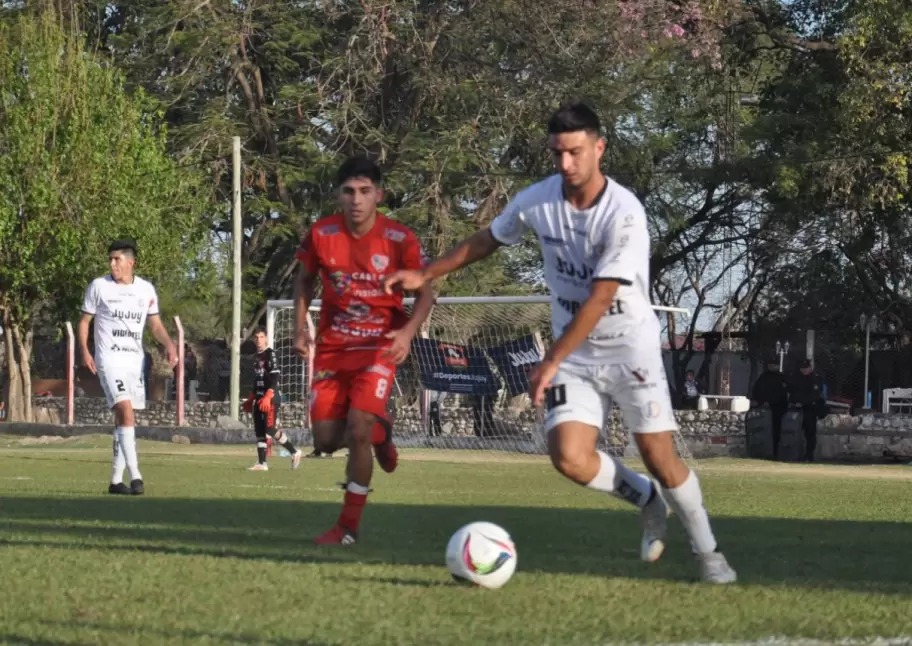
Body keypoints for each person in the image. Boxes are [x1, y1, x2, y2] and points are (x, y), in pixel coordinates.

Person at [383, 102, 736, 584]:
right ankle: (647, 500)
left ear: (598, 148)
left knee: (658, 455)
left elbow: (601, 296)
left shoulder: (625, 213)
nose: (565, 164)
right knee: (568, 457)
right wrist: (426, 271)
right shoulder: (538, 200)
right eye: (557, 154)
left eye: (574, 152)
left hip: (629, 348)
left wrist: (550, 358)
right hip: (575, 353)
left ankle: (709, 553)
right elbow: (489, 238)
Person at [292, 155, 434, 545]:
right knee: (323, 440)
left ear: (379, 195)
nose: (356, 199)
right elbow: (304, 282)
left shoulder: (400, 240)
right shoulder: (321, 234)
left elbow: (426, 293)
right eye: (349, 191)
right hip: (333, 351)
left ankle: (347, 528)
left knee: (356, 430)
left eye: (365, 192)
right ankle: (381, 434)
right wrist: (299, 328)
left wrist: (405, 334)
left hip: (379, 349)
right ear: (339, 195)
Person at [78, 238, 178, 496]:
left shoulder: (145, 290)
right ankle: (136, 476)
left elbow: (155, 325)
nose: (112, 264)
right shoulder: (99, 286)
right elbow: (85, 321)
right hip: (109, 359)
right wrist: (85, 350)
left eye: (117, 259)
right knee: (125, 409)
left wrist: (169, 344)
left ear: (130, 262)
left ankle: (114, 480)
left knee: (125, 416)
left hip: (135, 361)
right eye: (110, 259)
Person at [243, 328, 303, 471]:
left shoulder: (270, 354)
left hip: (269, 398)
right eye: (256, 337)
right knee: (259, 430)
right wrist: (251, 398)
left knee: (269, 428)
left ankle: (294, 452)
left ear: (266, 338)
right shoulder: (255, 357)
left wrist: (269, 395)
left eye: (261, 337)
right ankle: (262, 463)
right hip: (258, 398)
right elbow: (257, 379)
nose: (258, 340)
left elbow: (275, 375)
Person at [751, 360, 790, 459]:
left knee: (778, 430)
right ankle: (768, 452)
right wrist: (761, 401)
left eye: (775, 365)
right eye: (771, 365)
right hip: (766, 406)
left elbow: (786, 392)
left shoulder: (782, 377)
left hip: (779, 407)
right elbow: (758, 390)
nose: (773, 367)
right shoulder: (764, 377)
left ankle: (777, 452)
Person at [789, 359, 823, 462]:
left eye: (806, 368)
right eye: (802, 368)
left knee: (810, 432)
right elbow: (793, 392)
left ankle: (809, 455)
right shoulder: (797, 378)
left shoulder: (815, 379)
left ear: (810, 367)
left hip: (810, 409)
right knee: (794, 432)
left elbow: (814, 395)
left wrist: (802, 402)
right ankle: (794, 454)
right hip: (797, 409)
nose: (804, 370)